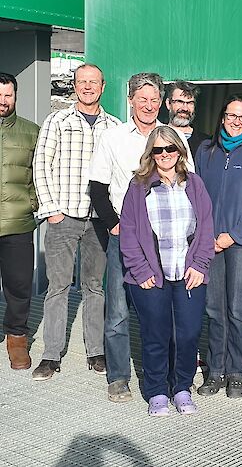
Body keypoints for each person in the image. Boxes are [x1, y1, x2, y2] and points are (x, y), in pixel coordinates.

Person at [90, 72, 193, 403]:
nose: (148, 106)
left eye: (154, 99)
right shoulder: (113, 137)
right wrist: (113, 224)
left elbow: (190, 183)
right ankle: (119, 376)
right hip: (128, 235)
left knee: (169, 312)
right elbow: (98, 186)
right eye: (142, 99)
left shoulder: (175, 136)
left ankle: (168, 378)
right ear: (130, 100)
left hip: (169, 239)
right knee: (119, 308)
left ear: (161, 102)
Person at [32, 64, 121, 380]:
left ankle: (96, 352)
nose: (87, 87)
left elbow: (119, 174)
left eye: (93, 82)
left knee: (95, 287)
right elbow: (41, 166)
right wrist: (51, 209)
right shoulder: (58, 120)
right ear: (74, 85)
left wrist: (114, 216)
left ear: (103, 85)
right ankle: (51, 355)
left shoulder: (114, 126)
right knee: (58, 286)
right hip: (64, 215)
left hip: (99, 220)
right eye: (82, 82)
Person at [120, 126, 214, 416]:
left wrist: (200, 265)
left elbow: (206, 226)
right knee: (156, 335)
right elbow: (129, 231)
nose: (164, 155)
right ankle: (157, 390)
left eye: (170, 149)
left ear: (179, 152)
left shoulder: (194, 184)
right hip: (152, 275)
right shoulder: (138, 186)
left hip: (188, 274)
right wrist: (140, 269)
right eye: (158, 150)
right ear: (151, 153)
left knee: (187, 334)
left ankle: (182, 387)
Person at [195, 95, 242, 398]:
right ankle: (215, 371)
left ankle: (237, 372)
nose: (237, 121)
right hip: (209, 243)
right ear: (222, 117)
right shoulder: (206, 151)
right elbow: (197, 195)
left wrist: (233, 234)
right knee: (214, 309)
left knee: (237, 308)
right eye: (231, 115)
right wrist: (208, 235)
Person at [0, 73, 39, 370]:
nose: (3, 101)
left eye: (8, 95)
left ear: (15, 96)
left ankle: (16, 338)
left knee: (18, 284)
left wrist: (32, 204)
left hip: (18, 222)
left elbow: (40, 175)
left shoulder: (32, 132)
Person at [166, 80, 209, 157]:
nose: (185, 108)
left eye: (190, 103)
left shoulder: (206, 143)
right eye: (179, 101)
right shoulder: (157, 139)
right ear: (168, 104)